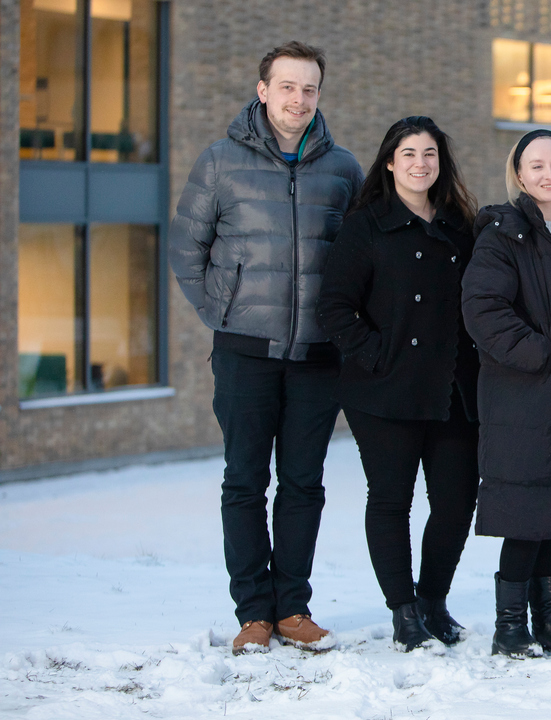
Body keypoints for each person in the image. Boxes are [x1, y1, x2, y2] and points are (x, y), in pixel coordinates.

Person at [169, 41, 363, 656]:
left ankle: (292, 608)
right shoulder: (220, 161)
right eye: (287, 87)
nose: (298, 100)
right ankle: (253, 612)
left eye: (309, 89)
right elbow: (185, 249)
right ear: (263, 91)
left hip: (317, 356)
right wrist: (220, 312)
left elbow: (361, 260)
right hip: (244, 350)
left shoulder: (344, 169)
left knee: (303, 483)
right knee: (245, 482)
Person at [316, 117, 480, 652]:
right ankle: (403, 611)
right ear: (389, 162)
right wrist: (377, 354)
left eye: (429, 153)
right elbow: (334, 307)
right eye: (408, 153)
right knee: (391, 500)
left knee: (456, 501)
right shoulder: (366, 225)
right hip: (383, 390)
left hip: (451, 387)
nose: (420, 164)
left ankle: (432, 600)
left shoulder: (460, 224)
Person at [461, 130, 551, 658]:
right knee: (526, 514)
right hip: (523, 397)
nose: (550, 174)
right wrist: (542, 355)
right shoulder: (504, 234)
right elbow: (482, 309)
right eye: (538, 165)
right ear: (520, 175)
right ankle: (509, 628)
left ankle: (547, 622)